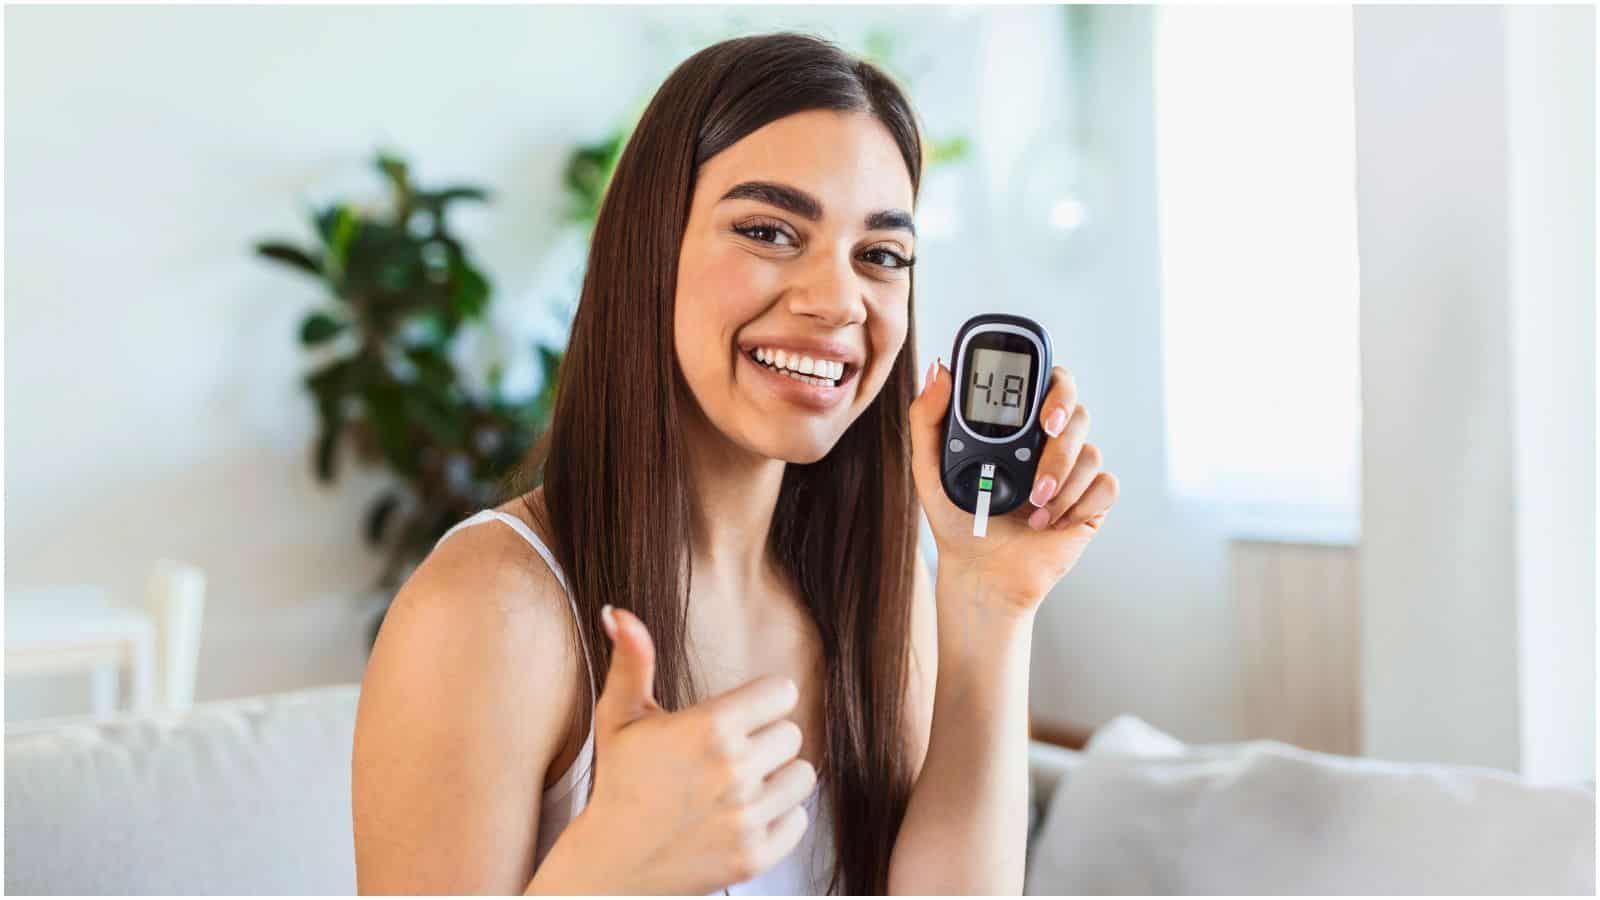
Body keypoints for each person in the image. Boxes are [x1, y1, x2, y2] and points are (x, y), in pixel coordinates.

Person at [352, 30, 1117, 896]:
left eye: (881, 256)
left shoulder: (877, 586)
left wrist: (990, 608)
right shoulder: (488, 608)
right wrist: (604, 874)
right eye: (768, 231)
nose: (837, 301)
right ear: (652, 248)